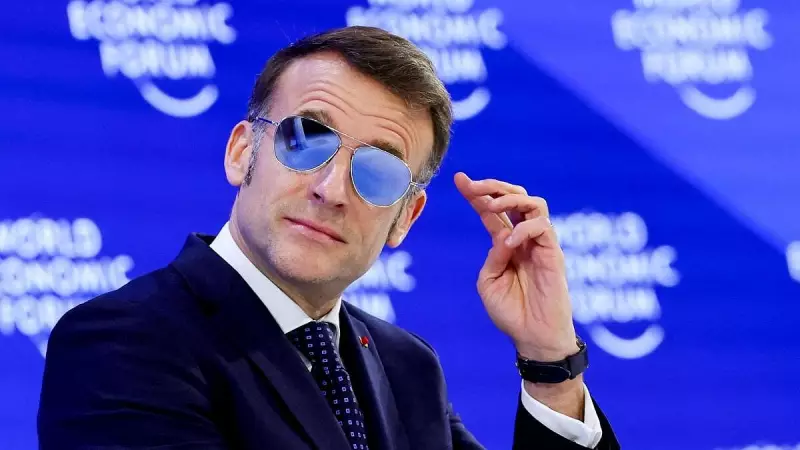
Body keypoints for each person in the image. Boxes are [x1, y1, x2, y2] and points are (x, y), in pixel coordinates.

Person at [37, 26, 619, 450]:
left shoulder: (407, 366)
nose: (331, 188)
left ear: (405, 218)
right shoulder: (123, 340)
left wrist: (550, 361)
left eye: (378, 172)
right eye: (305, 140)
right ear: (242, 153)